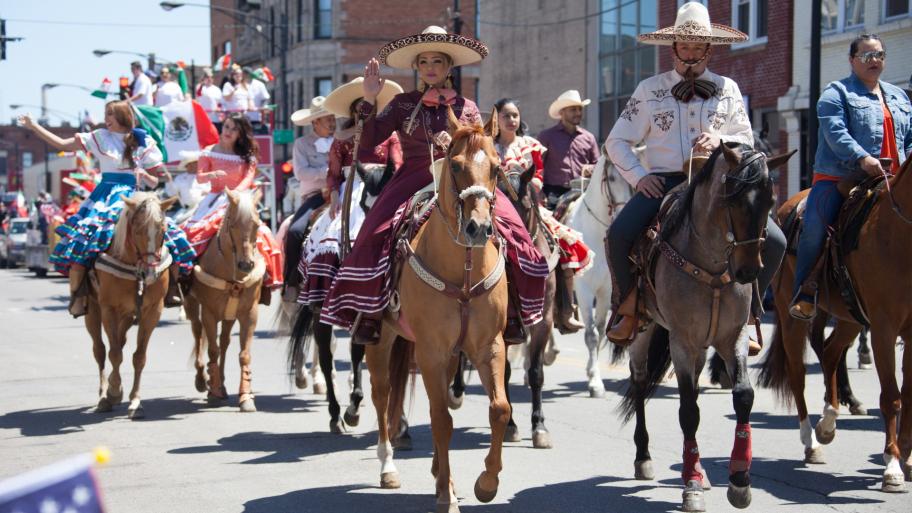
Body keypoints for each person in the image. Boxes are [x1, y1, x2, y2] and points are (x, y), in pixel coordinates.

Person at [321, 25, 549, 345]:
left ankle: (512, 312)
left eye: (437, 62)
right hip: (413, 177)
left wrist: (456, 143)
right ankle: (370, 312)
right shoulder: (402, 103)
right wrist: (370, 99)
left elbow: (478, 144)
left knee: (514, 228)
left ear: (448, 67)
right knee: (377, 229)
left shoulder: (467, 106)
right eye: (424, 62)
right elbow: (370, 140)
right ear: (417, 66)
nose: (430, 68)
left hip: (463, 179)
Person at [603, 2, 786, 351]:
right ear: (673, 47)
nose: (690, 54)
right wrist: (640, 177)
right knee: (617, 235)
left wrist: (721, 141)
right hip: (665, 183)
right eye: (684, 46)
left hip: (719, 187)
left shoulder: (728, 89)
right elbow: (616, 141)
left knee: (775, 241)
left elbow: (747, 140)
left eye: (697, 47)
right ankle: (629, 308)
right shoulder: (649, 90)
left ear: (709, 49)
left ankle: (750, 311)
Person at [17, 101, 194, 316]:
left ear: (122, 116)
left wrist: (151, 174)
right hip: (106, 195)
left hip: (136, 194)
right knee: (84, 239)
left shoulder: (142, 140)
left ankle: (172, 288)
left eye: (110, 114)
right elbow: (63, 145)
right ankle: (79, 294)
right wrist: (34, 127)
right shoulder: (99, 137)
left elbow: (157, 177)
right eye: (106, 114)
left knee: (167, 234)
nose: (106, 118)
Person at [789, 34, 912, 320]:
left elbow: (908, 141)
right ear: (852, 60)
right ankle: (805, 293)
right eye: (867, 56)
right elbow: (835, 133)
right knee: (815, 227)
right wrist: (862, 157)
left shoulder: (899, 96)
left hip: (893, 179)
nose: (875, 61)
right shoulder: (836, 94)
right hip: (843, 178)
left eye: (879, 55)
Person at [296, 77, 404, 306]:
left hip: (382, 188)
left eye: (369, 107)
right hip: (351, 187)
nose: (364, 112)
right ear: (352, 111)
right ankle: (322, 288)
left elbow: (398, 166)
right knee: (331, 230)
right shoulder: (341, 138)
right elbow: (333, 174)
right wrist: (334, 197)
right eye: (359, 108)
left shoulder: (390, 135)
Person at [493, 97, 590, 334]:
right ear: (496, 119)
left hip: (528, 204)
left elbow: (538, 177)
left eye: (515, 115)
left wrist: (528, 187)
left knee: (565, 242)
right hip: (496, 208)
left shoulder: (530, 145)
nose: (512, 120)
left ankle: (567, 309)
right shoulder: (487, 146)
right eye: (506, 115)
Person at [179, 114, 283, 301]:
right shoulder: (208, 152)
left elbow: (248, 179)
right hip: (214, 198)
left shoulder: (247, 156)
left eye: (234, 129)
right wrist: (213, 174)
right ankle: (187, 274)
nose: (228, 132)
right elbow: (200, 177)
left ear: (240, 134)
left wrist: (235, 195)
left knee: (260, 233)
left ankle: (264, 279)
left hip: (239, 198)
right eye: (227, 127)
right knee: (192, 232)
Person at [281, 96, 336, 299]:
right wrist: (329, 170)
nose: (332, 122)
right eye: (326, 119)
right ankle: (292, 281)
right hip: (315, 196)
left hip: (341, 192)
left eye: (332, 118)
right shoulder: (301, 144)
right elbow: (301, 173)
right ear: (315, 122)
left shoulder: (341, 140)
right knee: (295, 231)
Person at [537, 90, 600, 207]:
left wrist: (591, 168)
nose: (578, 113)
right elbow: (537, 167)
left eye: (580, 109)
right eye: (573, 110)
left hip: (583, 193)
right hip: (552, 194)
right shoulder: (546, 136)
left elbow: (599, 165)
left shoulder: (589, 138)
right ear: (562, 112)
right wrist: (538, 191)